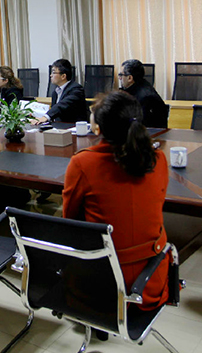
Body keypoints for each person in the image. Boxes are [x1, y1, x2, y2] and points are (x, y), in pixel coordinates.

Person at [63, 90, 172, 316]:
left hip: (101, 286)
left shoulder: (83, 162)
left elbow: (70, 220)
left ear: (98, 128)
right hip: (151, 281)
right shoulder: (158, 159)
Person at [31, 58, 88, 124]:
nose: (50, 75)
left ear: (63, 76)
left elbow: (62, 106)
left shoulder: (76, 89)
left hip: (73, 126)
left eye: (53, 72)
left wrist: (46, 117)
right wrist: (37, 115)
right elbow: (55, 112)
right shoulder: (55, 92)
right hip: (58, 126)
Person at [118, 59, 168, 128]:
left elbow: (139, 124)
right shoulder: (132, 88)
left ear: (130, 78)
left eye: (121, 75)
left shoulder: (145, 97)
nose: (119, 78)